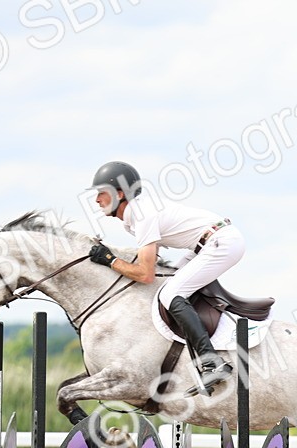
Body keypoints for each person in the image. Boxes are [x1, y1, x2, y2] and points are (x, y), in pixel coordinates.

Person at [86, 160, 241, 396]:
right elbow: (147, 266)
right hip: (209, 243)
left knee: (170, 293)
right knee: (168, 286)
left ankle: (212, 362)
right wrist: (114, 259)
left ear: (119, 194)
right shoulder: (136, 215)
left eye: (101, 193)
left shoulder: (141, 214)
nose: (97, 200)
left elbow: (145, 274)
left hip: (221, 243)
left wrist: (110, 261)